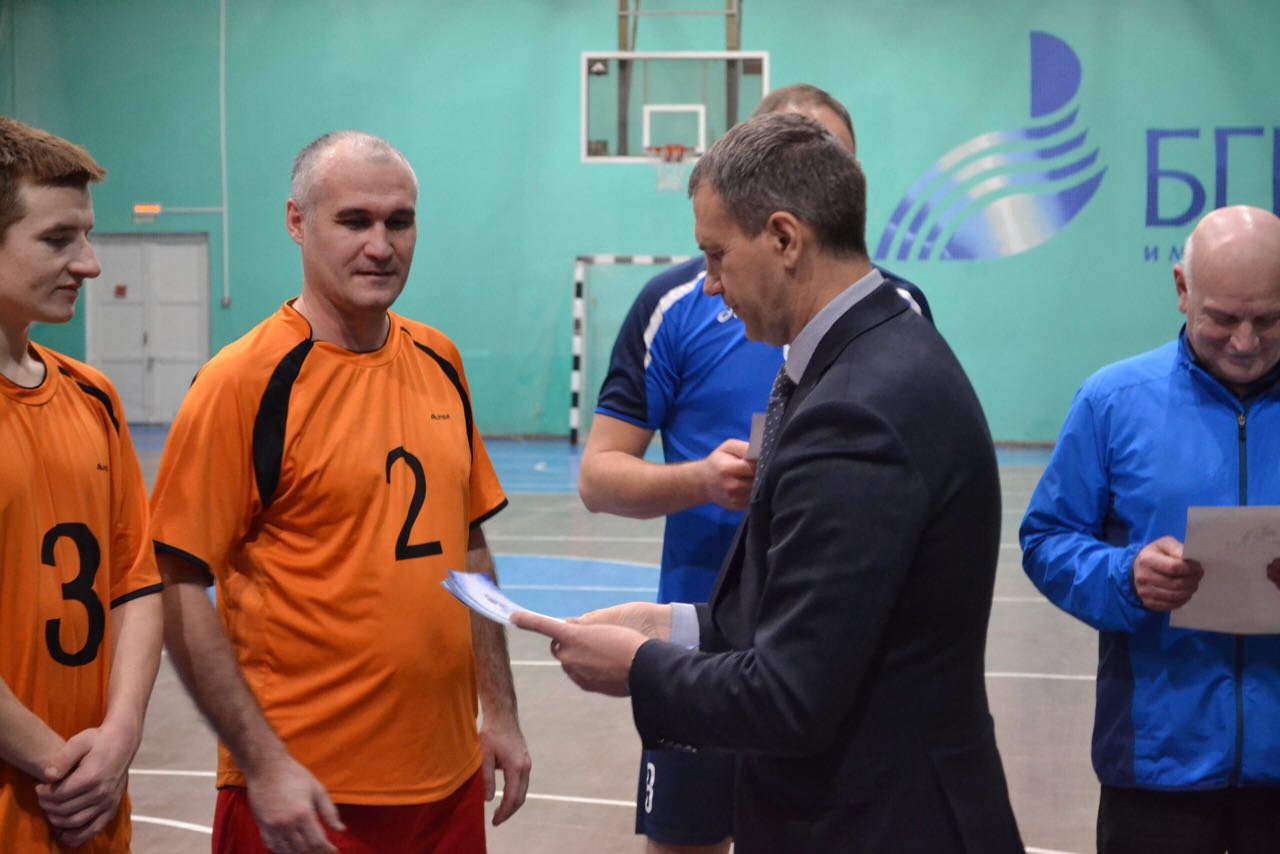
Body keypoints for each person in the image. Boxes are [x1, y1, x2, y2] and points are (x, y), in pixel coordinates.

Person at [516, 112, 1022, 853]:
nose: (711, 283)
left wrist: (642, 668)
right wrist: (672, 627)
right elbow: (822, 622)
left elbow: (793, 696)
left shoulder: (857, 408)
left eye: (717, 254)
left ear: (785, 239)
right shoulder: (869, 353)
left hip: (875, 821)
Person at [149, 131, 530, 854]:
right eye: (355, 221)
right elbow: (174, 581)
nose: (381, 246)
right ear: (297, 222)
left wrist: (501, 711)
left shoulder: (440, 360)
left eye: (399, 222)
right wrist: (263, 764)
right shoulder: (243, 382)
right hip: (306, 797)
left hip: (447, 787)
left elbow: (469, 545)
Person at [578, 83, 931, 854]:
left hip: (835, 654)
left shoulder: (895, 317)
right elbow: (598, 477)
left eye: (828, 161)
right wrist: (701, 481)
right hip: (704, 635)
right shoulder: (675, 304)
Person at [1020, 205, 1280, 854]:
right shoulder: (1112, 402)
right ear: (1182, 289)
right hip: (1156, 767)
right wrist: (1124, 576)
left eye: (1269, 319)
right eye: (1223, 318)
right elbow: (1046, 539)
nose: (1245, 342)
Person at [0, 118, 163, 851]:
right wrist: (61, 765)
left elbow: (136, 582)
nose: (89, 265)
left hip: (89, 811)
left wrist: (120, 738)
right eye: (58, 239)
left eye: (87, 236)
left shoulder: (93, 397)